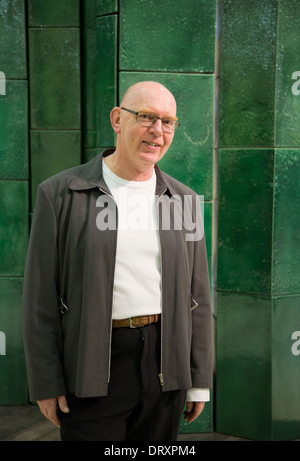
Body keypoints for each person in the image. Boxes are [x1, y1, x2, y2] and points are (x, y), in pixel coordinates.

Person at [22, 81, 213, 441]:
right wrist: (46, 382)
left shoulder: (182, 200)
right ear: (117, 119)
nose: (158, 131)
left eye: (168, 121)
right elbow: (39, 300)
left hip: (165, 364)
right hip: (92, 363)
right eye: (146, 117)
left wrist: (199, 380)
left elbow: (198, 298)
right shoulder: (61, 193)